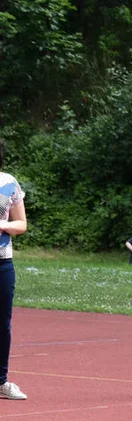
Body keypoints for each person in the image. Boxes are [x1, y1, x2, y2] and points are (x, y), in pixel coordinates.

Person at [0, 140, 27, 400]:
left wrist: (3, 225)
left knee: (2, 323)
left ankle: (1, 381)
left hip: (2, 263)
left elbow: (21, 223)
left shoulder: (9, 182)